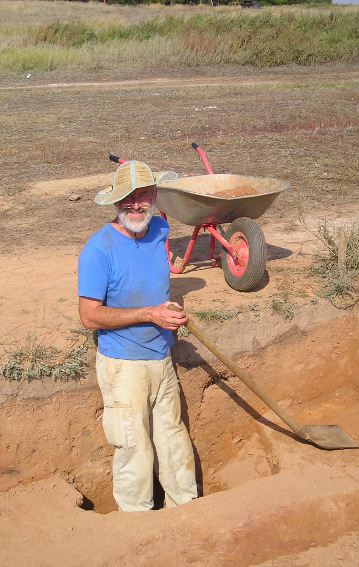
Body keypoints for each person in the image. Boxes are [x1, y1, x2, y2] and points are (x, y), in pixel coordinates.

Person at [78, 160, 198, 512]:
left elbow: (152, 282)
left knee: (174, 441)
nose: (135, 204)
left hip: (162, 359)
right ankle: (136, 527)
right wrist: (150, 313)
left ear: (154, 197)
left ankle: (191, 513)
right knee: (135, 449)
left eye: (142, 195)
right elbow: (88, 316)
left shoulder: (159, 228)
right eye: (127, 197)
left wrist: (170, 310)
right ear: (116, 202)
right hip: (123, 367)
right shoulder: (98, 249)